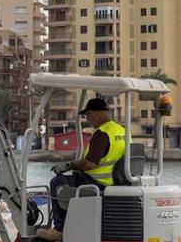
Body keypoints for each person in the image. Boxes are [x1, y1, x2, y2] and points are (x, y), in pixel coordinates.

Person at [44, 97, 127, 234]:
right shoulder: (122, 131)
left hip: (99, 184)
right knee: (73, 178)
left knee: (57, 182)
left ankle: (60, 230)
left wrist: (69, 165)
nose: (88, 119)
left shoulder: (102, 133)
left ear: (97, 114)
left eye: (88, 115)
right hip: (118, 182)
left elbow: (89, 164)